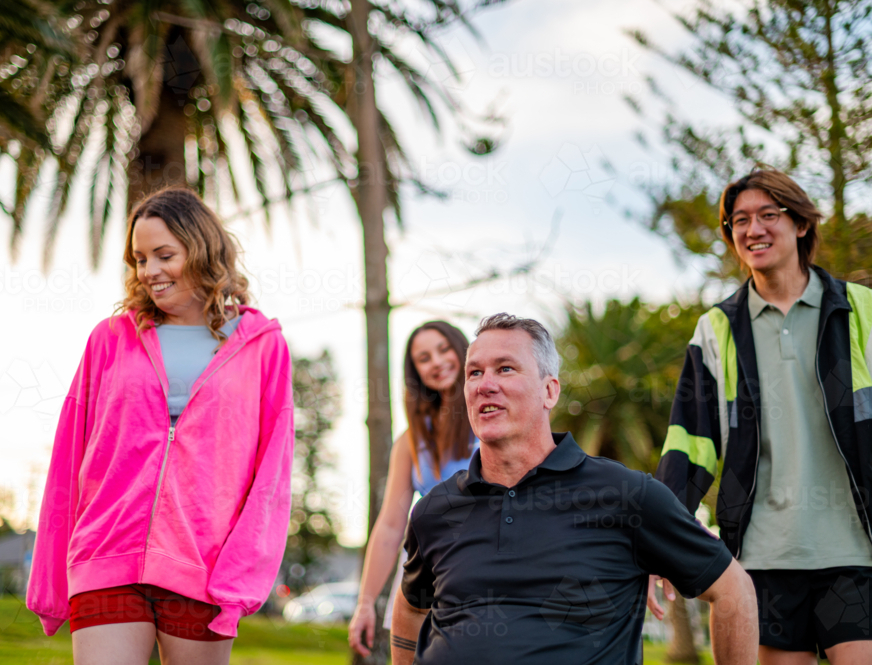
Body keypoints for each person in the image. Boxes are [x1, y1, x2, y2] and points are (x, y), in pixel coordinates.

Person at [391, 313, 759, 665]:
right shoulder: (433, 510)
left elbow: (733, 590)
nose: (485, 383)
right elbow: (410, 606)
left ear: (549, 391)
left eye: (505, 368)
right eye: (475, 372)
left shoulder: (626, 496)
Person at [26, 188, 295, 665]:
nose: (149, 271)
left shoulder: (262, 347)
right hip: (105, 557)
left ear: (202, 249)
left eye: (164, 255)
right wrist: (51, 578)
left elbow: (271, 475)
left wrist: (237, 578)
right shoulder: (111, 339)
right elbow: (69, 455)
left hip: (203, 567)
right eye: (140, 258)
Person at [654, 168, 872, 664]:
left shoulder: (861, 311)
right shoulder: (717, 330)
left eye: (768, 215)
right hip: (762, 562)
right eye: (739, 221)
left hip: (858, 555)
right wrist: (658, 537)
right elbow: (690, 442)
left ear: (800, 224)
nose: (752, 230)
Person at [348, 321, 478, 657]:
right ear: (415, 372)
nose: (436, 362)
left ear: (462, 350)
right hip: (423, 580)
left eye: (443, 349)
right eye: (423, 358)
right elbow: (391, 525)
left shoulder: (490, 420)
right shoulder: (411, 441)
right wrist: (366, 603)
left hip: (482, 573)